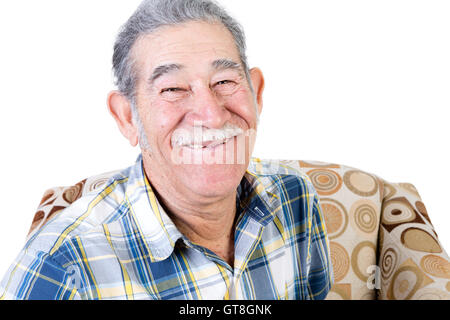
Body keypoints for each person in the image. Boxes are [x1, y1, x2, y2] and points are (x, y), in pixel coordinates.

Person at [0, 0, 333, 300]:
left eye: (225, 81)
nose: (212, 115)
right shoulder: (63, 267)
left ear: (256, 94)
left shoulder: (296, 200)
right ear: (127, 117)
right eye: (173, 88)